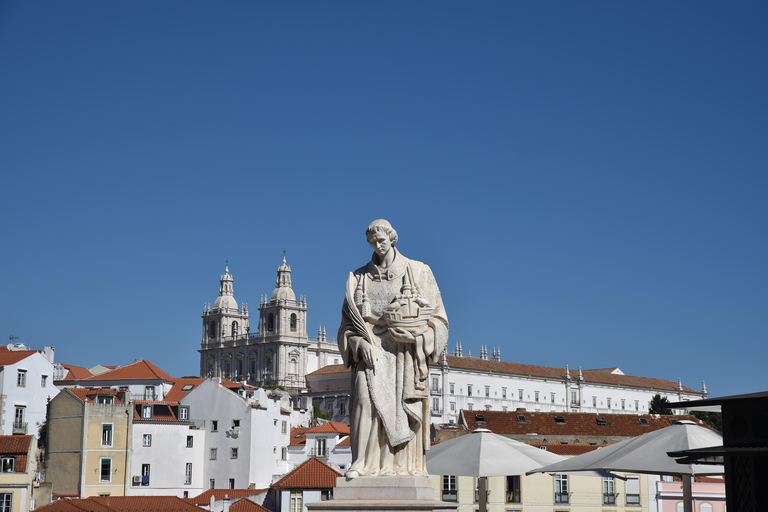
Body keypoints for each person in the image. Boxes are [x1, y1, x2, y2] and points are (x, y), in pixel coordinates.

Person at [338, 219, 449, 478]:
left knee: (401, 408)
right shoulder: (358, 278)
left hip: (406, 354)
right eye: (373, 242)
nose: (377, 245)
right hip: (370, 350)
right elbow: (345, 326)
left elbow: (440, 320)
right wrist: (358, 342)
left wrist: (417, 338)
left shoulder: (419, 271)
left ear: (393, 239)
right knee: (365, 403)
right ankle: (364, 464)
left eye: (382, 241)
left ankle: (401, 466)